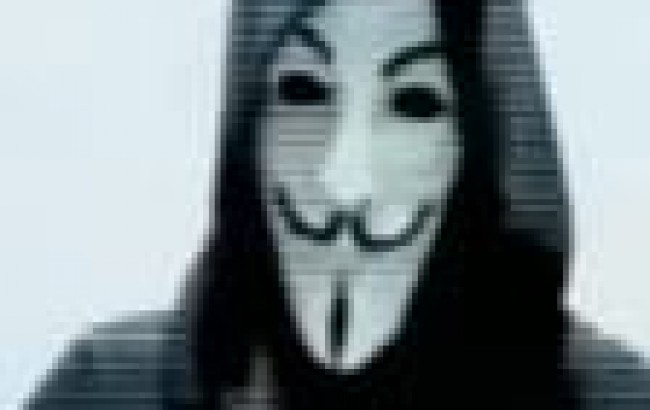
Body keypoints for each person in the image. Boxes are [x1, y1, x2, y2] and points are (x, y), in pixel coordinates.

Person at [26, 0, 650, 409]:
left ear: (481, 144)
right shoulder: (111, 388)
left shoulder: (612, 398)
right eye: (303, 91)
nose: (344, 182)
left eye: (414, 103)